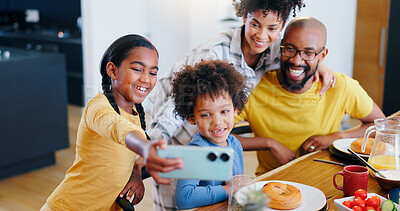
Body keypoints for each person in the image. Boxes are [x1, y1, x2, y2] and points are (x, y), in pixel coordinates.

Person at [148, 1, 337, 210]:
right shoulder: (215, 51)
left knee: (218, 200)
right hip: (180, 133)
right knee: (176, 201)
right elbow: (174, 110)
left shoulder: (274, 49)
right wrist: (150, 146)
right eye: (255, 24)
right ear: (244, 16)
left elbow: (298, 55)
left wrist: (320, 64)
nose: (262, 35)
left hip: (216, 135)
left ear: (282, 26)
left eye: (272, 28)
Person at [40, 34, 183, 211]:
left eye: (153, 72)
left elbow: (123, 152)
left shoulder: (137, 113)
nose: (146, 79)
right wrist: (146, 148)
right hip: (69, 206)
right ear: (113, 70)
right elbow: (119, 128)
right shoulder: (98, 108)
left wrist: (135, 174)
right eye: (138, 69)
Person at [234, 16, 386, 176]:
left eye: (308, 52)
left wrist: (337, 137)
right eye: (290, 49)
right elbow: (214, 135)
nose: (296, 60)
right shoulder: (254, 87)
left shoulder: (340, 86)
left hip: (325, 180)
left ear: (322, 55)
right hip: (271, 182)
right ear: (281, 47)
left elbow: (382, 127)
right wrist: (268, 144)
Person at [170, 60, 248, 209]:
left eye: (224, 111)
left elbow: (236, 184)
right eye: (206, 115)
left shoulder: (234, 144)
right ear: (191, 118)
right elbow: (184, 198)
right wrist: (228, 189)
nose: (217, 122)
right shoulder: (196, 152)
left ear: (235, 109)